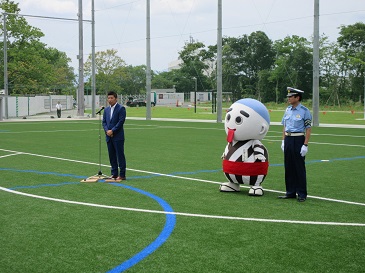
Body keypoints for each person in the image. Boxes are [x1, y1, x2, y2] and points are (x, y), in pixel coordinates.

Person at [278, 87, 312, 202]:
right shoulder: (287, 110)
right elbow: (284, 126)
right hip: (288, 139)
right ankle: (290, 192)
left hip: (298, 140)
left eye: (291, 96)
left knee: (299, 167)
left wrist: (305, 145)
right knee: (288, 166)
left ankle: (302, 193)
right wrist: (283, 140)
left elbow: (308, 129)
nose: (288, 98)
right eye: (288, 96)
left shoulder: (304, 111)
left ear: (297, 97)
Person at [102, 91, 127, 181]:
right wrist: (107, 131)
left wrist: (112, 130)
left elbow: (121, 121)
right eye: (108, 98)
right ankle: (114, 173)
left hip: (118, 136)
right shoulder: (106, 110)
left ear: (116, 98)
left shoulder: (121, 108)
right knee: (111, 156)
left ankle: (122, 175)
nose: (110, 100)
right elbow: (104, 122)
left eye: (111, 98)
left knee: (120, 155)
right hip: (109, 136)